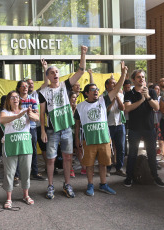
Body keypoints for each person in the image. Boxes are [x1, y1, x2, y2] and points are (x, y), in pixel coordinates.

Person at [39, 45, 87, 199]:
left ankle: (67, 184)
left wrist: (83, 54)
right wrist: (42, 130)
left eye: (57, 72)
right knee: (51, 159)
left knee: (68, 157)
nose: (55, 74)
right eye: (52, 72)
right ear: (48, 76)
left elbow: (81, 71)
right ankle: (50, 186)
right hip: (52, 130)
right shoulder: (43, 92)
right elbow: (41, 113)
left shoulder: (66, 85)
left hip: (66, 128)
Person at [75, 62, 127, 196]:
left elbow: (116, 89)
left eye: (97, 89)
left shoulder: (103, 101)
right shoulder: (80, 107)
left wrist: (123, 73)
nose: (96, 91)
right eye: (93, 90)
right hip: (89, 140)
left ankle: (103, 184)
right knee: (90, 165)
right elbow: (77, 124)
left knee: (103, 164)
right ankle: (90, 185)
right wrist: (77, 141)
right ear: (87, 93)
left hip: (104, 138)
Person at [123, 70, 164, 188]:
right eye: (138, 77)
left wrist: (147, 97)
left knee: (152, 153)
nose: (141, 79)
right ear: (133, 80)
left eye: (143, 77)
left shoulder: (151, 91)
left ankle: (155, 177)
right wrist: (141, 100)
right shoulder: (129, 93)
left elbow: (156, 107)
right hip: (134, 129)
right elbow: (127, 108)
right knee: (132, 154)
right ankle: (129, 177)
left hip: (149, 128)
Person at [0, 91, 39, 209]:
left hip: (25, 145)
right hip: (10, 146)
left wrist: (30, 113)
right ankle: (9, 198)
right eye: (12, 97)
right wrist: (18, 116)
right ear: (8, 100)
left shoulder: (26, 110)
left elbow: (36, 119)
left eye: (17, 97)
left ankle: (26, 195)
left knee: (26, 171)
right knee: (9, 173)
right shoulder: (4, 112)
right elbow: (2, 120)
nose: (15, 99)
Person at [16, 80, 47, 181]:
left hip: (31, 128)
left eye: (26, 86)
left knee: (33, 150)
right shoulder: (15, 100)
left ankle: (35, 172)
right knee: (18, 150)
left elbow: (37, 116)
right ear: (18, 88)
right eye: (23, 86)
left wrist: (30, 114)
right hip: (19, 129)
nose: (25, 87)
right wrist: (28, 113)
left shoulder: (33, 100)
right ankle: (16, 175)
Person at [104, 77, 126, 177]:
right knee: (108, 148)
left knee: (120, 147)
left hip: (120, 124)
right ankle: (107, 168)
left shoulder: (121, 95)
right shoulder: (103, 96)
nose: (114, 85)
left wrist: (117, 96)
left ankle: (119, 168)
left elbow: (122, 108)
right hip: (108, 125)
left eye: (115, 83)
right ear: (107, 86)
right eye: (112, 83)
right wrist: (112, 98)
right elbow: (106, 110)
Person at [149, 84, 164, 164]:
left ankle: (163, 155)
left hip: (160, 121)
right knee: (152, 141)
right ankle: (153, 158)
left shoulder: (161, 98)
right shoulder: (149, 99)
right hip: (152, 121)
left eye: (158, 89)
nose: (157, 91)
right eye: (155, 89)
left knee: (161, 140)